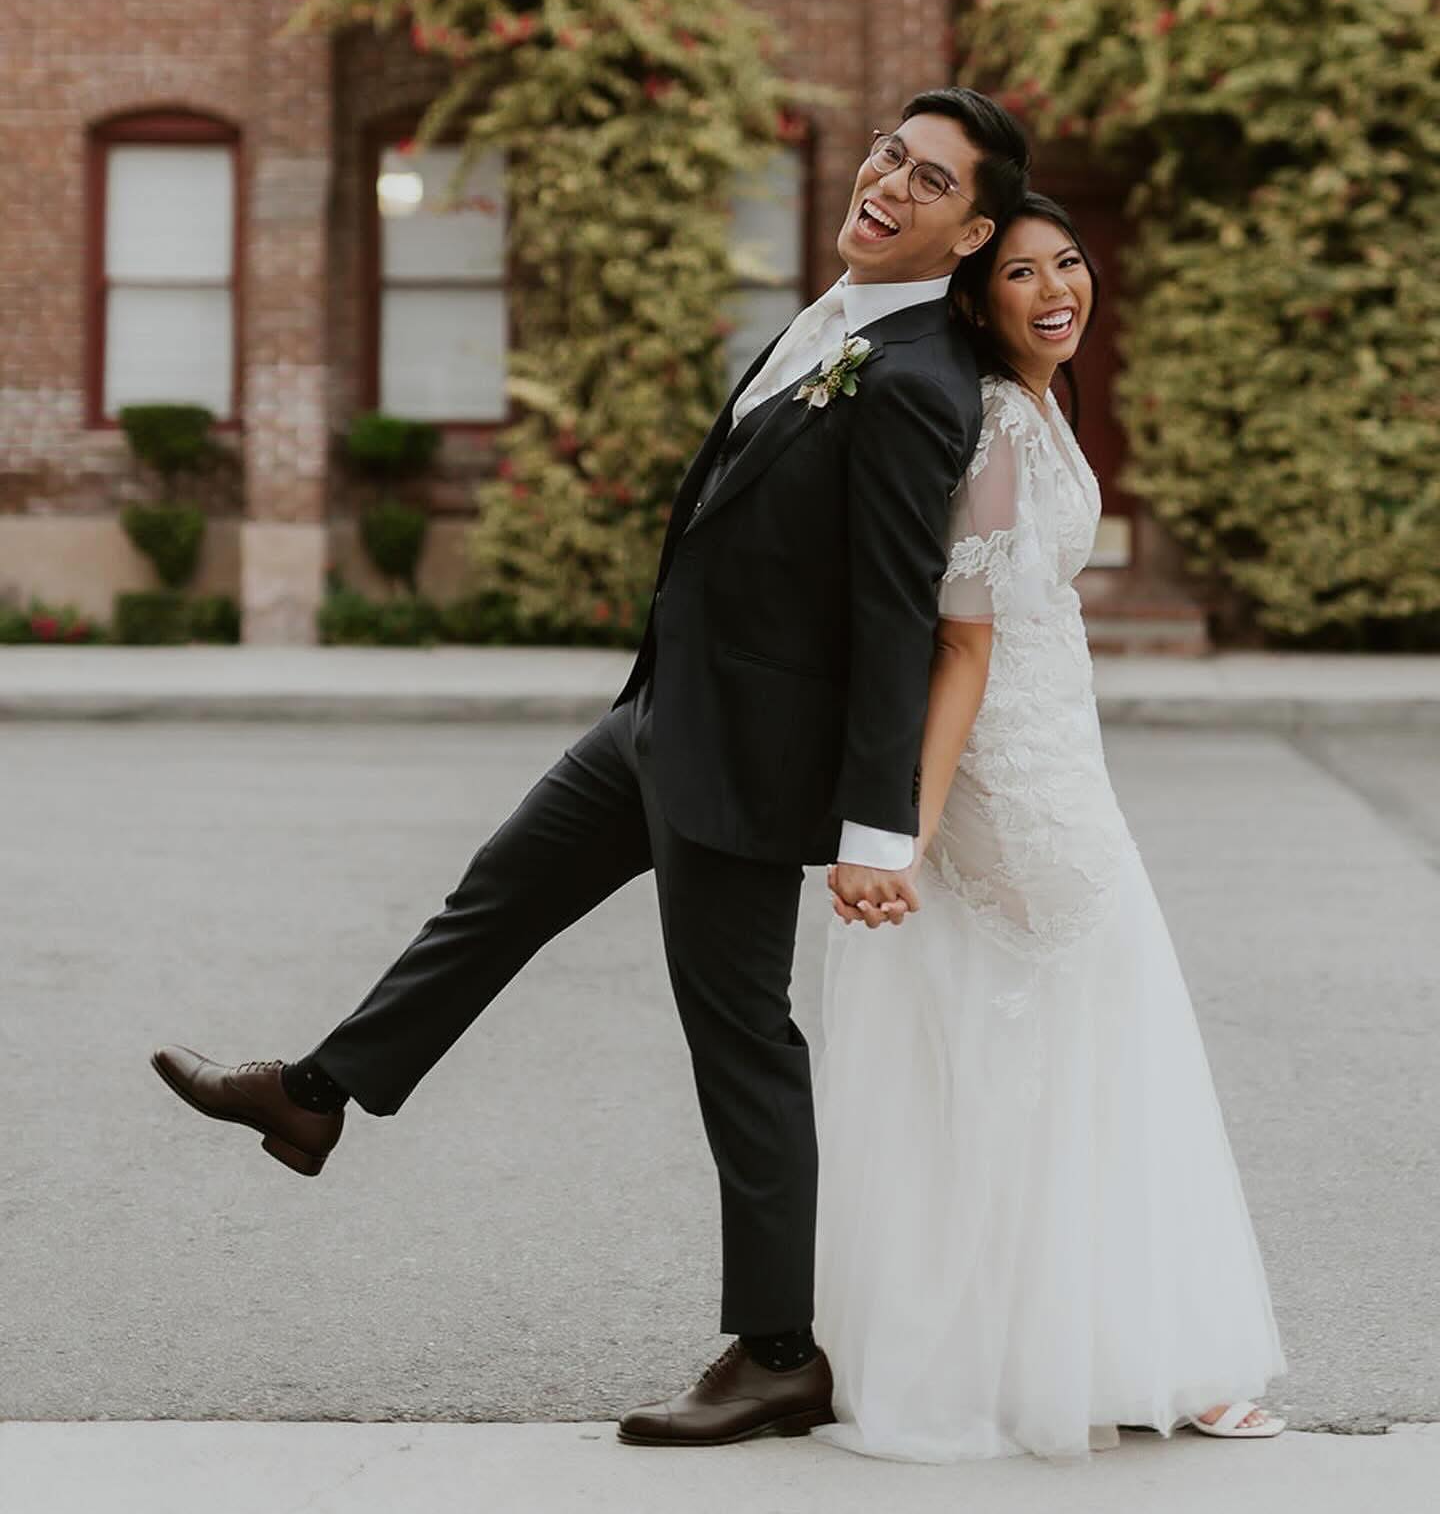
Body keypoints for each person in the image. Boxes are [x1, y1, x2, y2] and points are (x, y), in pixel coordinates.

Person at [150, 87, 1031, 1446]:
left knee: (740, 1037)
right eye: (887, 155)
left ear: (969, 234)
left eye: (929, 182)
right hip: (669, 711)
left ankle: (779, 1346)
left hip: (749, 756)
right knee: (492, 896)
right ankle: (315, 1093)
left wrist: (875, 823)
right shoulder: (839, 320)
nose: (887, 183)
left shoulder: (913, 378)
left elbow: (894, 606)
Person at [812, 193, 1287, 1462]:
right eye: (1021, 272)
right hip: (1018, 777)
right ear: (978, 295)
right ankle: (1137, 1353)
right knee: (1080, 1041)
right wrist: (904, 828)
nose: (1055, 288)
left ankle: (1081, 1343)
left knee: (1040, 1043)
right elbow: (962, 637)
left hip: (1052, 748)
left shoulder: (1032, 404)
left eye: (1068, 261)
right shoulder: (997, 426)